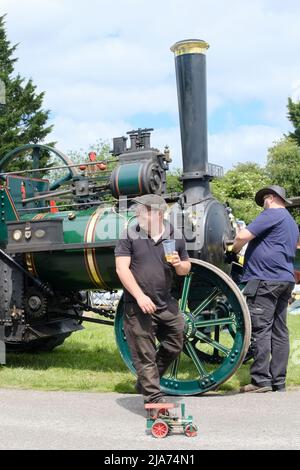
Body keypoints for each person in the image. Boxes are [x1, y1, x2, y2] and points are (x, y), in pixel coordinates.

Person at [115, 194, 191, 404]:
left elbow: (186, 268)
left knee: (176, 343)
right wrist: (139, 297)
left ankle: (145, 382)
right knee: (144, 353)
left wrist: (178, 264)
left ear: (157, 214)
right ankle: (154, 399)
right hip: (138, 305)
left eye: (142, 211)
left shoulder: (175, 236)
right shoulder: (129, 235)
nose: (138, 214)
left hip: (165, 302)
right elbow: (121, 269)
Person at [231, 185, 299, 393]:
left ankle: (261, 380)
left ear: (270, 198)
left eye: (264, 202)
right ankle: (278, 381)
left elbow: (243, 235)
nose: (263, 205)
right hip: (285, 279)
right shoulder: (291, 222)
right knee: (280, 332)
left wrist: (233, 251)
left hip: (265, 279)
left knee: (261, 329)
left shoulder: (271, 214)